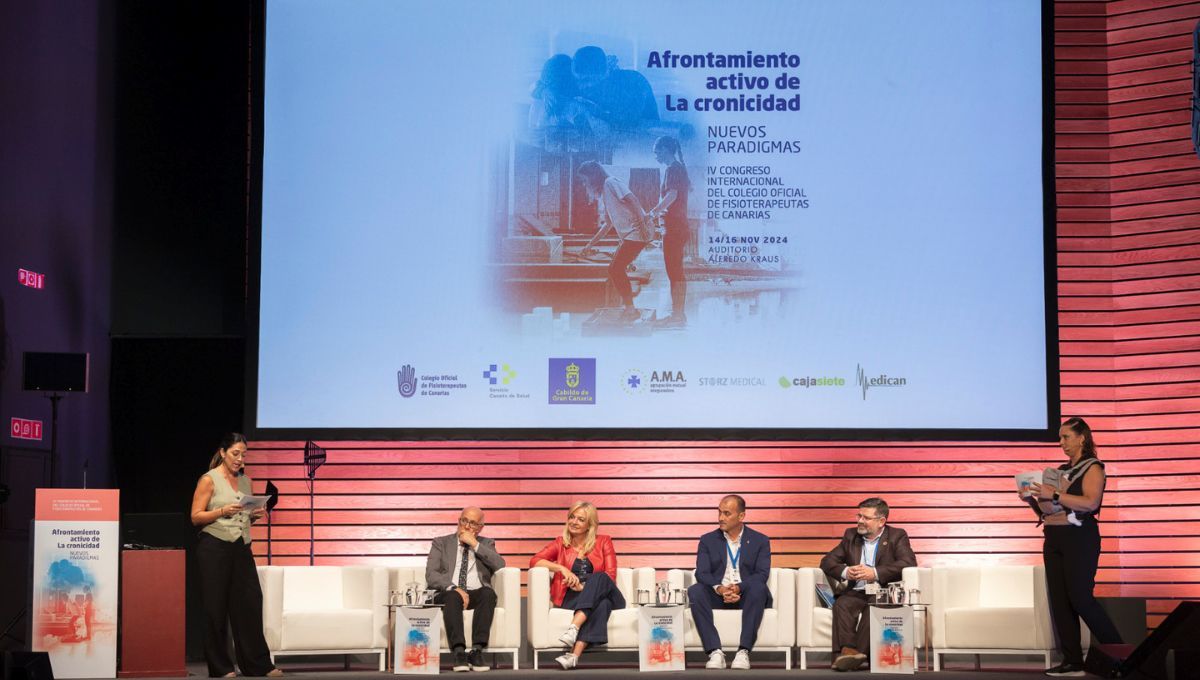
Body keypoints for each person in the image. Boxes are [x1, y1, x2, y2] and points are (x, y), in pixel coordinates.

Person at [1027, 417, 1123, 677]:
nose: (1061, 443)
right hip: (1055, 535)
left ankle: (1123, 656)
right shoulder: (1059, 470)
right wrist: (1033, 499)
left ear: (1082, 438)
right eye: (1060, 438)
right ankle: (1072, 661)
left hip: (1080, 537)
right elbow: (1051, 509)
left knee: (1081, 599)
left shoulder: (1094, 467)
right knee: (1060, 601)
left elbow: (1090, 503)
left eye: (1066, 437)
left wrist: (1055, 494)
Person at [190, 433, 282, 678]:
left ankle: (258, 665)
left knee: (250, 604)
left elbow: (243, 514)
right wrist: (221, 510)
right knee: (215, 607)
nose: (240, 459)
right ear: (223, 452)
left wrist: (254, 515)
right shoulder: (208, 480)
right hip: (214, 547)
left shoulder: (246, 481)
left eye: (243, 455)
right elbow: (196, 516)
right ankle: (221, 668)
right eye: (235, 454)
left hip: (241, 547)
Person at [820, 498, 917, 672]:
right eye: (859, 516)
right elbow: (827, 561)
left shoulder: (896, 536)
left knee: (875, 606)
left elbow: (908, 562)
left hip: (882, 592)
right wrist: (845, 571)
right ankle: (849, 651)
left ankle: (850, 655)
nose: (859, 521)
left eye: (865, 518)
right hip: (856, 592)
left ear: (882, 521)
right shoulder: (851, 536)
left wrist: (875, 572)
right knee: (841, 604)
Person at [530, 501, 624, 670]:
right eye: (572, 517)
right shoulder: (560, 543)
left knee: (600, 577)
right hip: (573, 598)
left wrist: (584, 587)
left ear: (590, 525)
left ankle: (574, 627)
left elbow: (610, 576)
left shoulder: (603, 541)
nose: (574, 522)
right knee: (602, 605)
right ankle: (573, 655)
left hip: (607, 592)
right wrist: (561, 568)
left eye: (580, 519)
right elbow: (535, 561)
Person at [687, 495, 772, 670]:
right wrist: (720, 589)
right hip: (718, 594)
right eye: (719, 512)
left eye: (727, 513)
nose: (720, 518)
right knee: (695, 590)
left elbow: (761, 574)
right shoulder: (707, 540)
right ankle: (715, 651)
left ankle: (743, 651)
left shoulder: (760, 540)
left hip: (747, 594)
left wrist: (739, 587)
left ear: (741, 516)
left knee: (758, 587)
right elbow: (702, 573)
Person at [425, 506, 506, 672]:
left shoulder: (486, 543)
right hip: (446, 593)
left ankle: (476, 651)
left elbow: (500, 564)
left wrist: (475, 544)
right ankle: (459, 652)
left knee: (488, 593)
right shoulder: (441, 542)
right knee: (453, 596)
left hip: (474, 593)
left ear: (480, 528)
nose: (467, 526)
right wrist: (454, 588)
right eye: (464, 521)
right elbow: (431, 574)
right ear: (458, 521)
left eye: (473, 523)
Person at [576, 161, 652, 322]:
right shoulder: (604, 192)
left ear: (593, 176)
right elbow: (607, 225)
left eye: (585, 179)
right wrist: (589, 245)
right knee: (616, 268)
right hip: (632, 234)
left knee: (615, 269)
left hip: (637, 231)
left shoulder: (611, 182)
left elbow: (633, 200)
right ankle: (629, 308)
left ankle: (631, 309)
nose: (584, 184)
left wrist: (644, 224)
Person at [648, 136, 691, 328]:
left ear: (665, 150)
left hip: (675, 228)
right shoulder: (673, 169)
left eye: (657, 151)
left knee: (675, 272)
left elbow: (672, 195)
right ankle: (678, 314)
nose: (655, 155)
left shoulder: (674, 169)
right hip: (673, 227)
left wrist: (653, 213)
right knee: (674, 272)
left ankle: (678, 315)